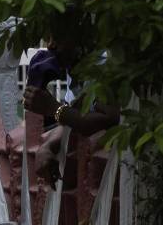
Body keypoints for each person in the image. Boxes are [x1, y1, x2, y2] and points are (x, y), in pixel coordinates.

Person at [22, 32, 120, 186]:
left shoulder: (105, 60)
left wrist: (53, 107)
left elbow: (106, 118)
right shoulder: (77, 66)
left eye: (57, 37)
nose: (50, 45)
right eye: (48, 38)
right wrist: (47, 146)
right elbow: (72, 118)